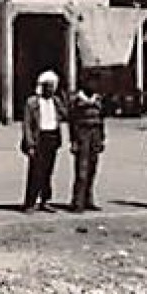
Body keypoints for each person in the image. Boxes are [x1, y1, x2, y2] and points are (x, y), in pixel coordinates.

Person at [20, 70, 66, 213]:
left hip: (52, 137)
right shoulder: (33, 102)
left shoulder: (56, 101)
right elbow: (27, 124)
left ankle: (45, 200)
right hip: (39, 138)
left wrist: (63, 99)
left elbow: (65, 114)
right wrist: (30, 144)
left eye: (53, 86)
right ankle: (30, 202)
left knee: (48, 172)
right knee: (35, 172)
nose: (51, 89)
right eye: (49, 86)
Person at [67, 82, 106, 212]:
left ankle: (88, 199)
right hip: (82, 135)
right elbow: (72, 122)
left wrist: (101, 139)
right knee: (81, 171)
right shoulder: (77, 100)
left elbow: (102, 120)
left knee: (92, 169)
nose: (93, 86)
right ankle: (77, 201)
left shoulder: (98, 99)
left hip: (95, 135)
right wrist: (73, 140)